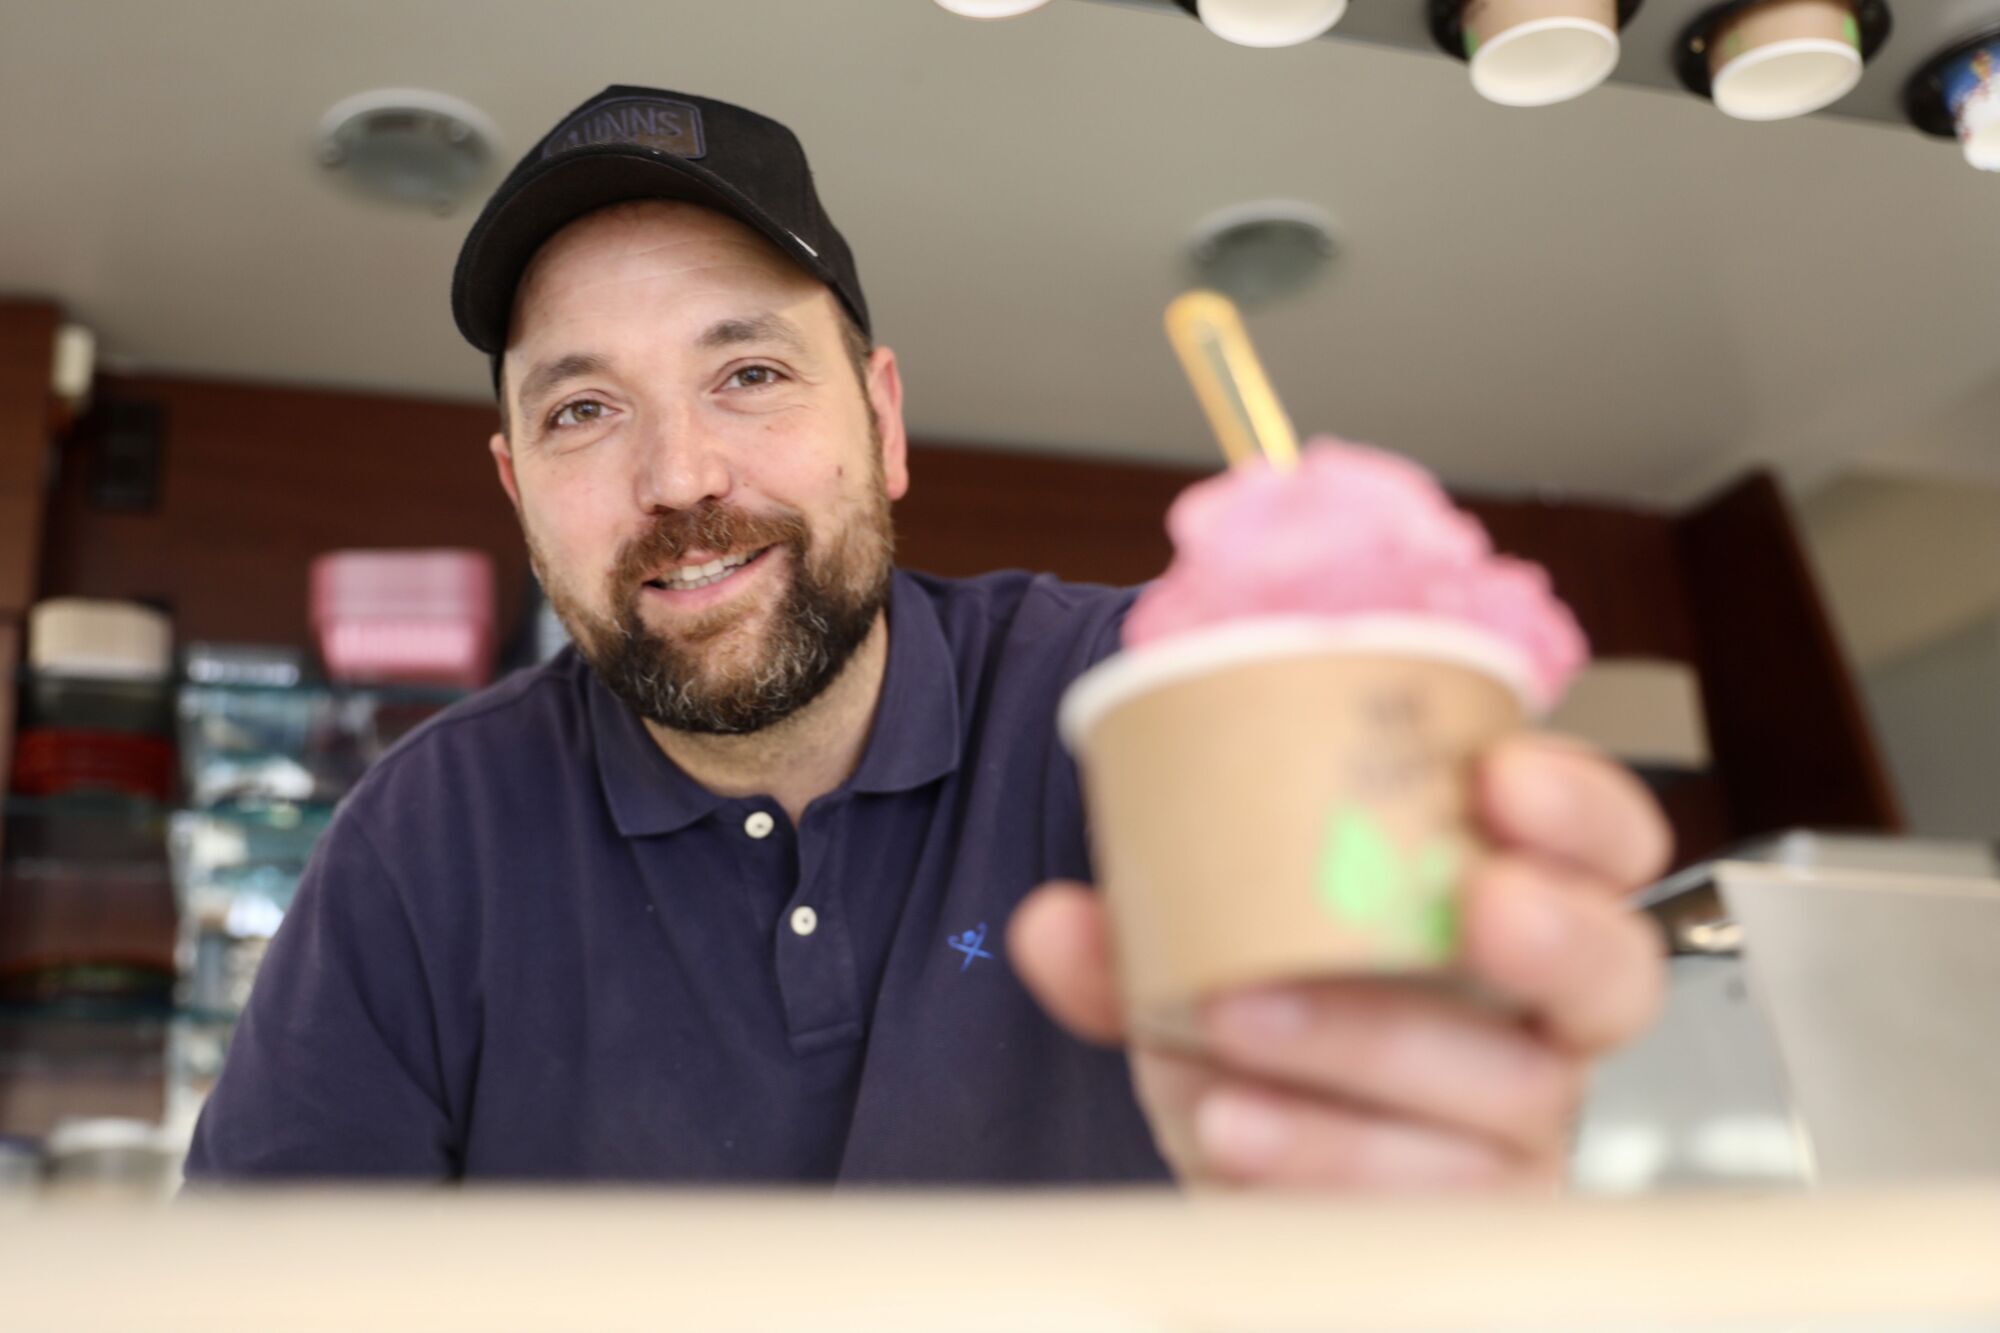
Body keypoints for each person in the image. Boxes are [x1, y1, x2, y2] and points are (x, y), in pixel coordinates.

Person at [185, 86, 1669, 1189]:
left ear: (882, 421)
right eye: (583, 410)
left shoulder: (1140, 708)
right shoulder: (424, 841)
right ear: (518, 491)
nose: (682, 475)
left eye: (751, 372)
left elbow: (1390, 1027)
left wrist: (1435, 1138)